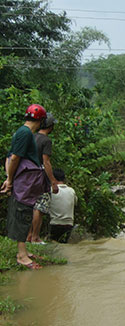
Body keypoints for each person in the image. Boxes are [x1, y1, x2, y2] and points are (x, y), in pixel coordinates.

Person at [1, 104, 48, 270]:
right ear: (41, 120)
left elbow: (10, 157)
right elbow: (14, 158)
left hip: (24, 180)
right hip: (24, 180)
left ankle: (24, 251)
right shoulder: (25, 133)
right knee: (23, 212)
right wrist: (10, 179)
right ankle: (21, 255)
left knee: (25, 210)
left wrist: (9, 178)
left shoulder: (23, 132)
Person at [27, 112, 58, 244]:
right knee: (39, 208)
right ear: (50, 126)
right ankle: (35, 237)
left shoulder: (31, 137)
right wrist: (53, 181)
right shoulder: (46, 141)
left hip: (27, 175)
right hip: (40, 177)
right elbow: (46, 162)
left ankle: (28, 236)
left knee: (30, 205)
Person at [48, 168, 77, 243]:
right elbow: (75, 203)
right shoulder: (72, 191)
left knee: (54, 244)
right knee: (64, 244)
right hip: (69, 224)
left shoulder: (51, 190)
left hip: (55, 223)